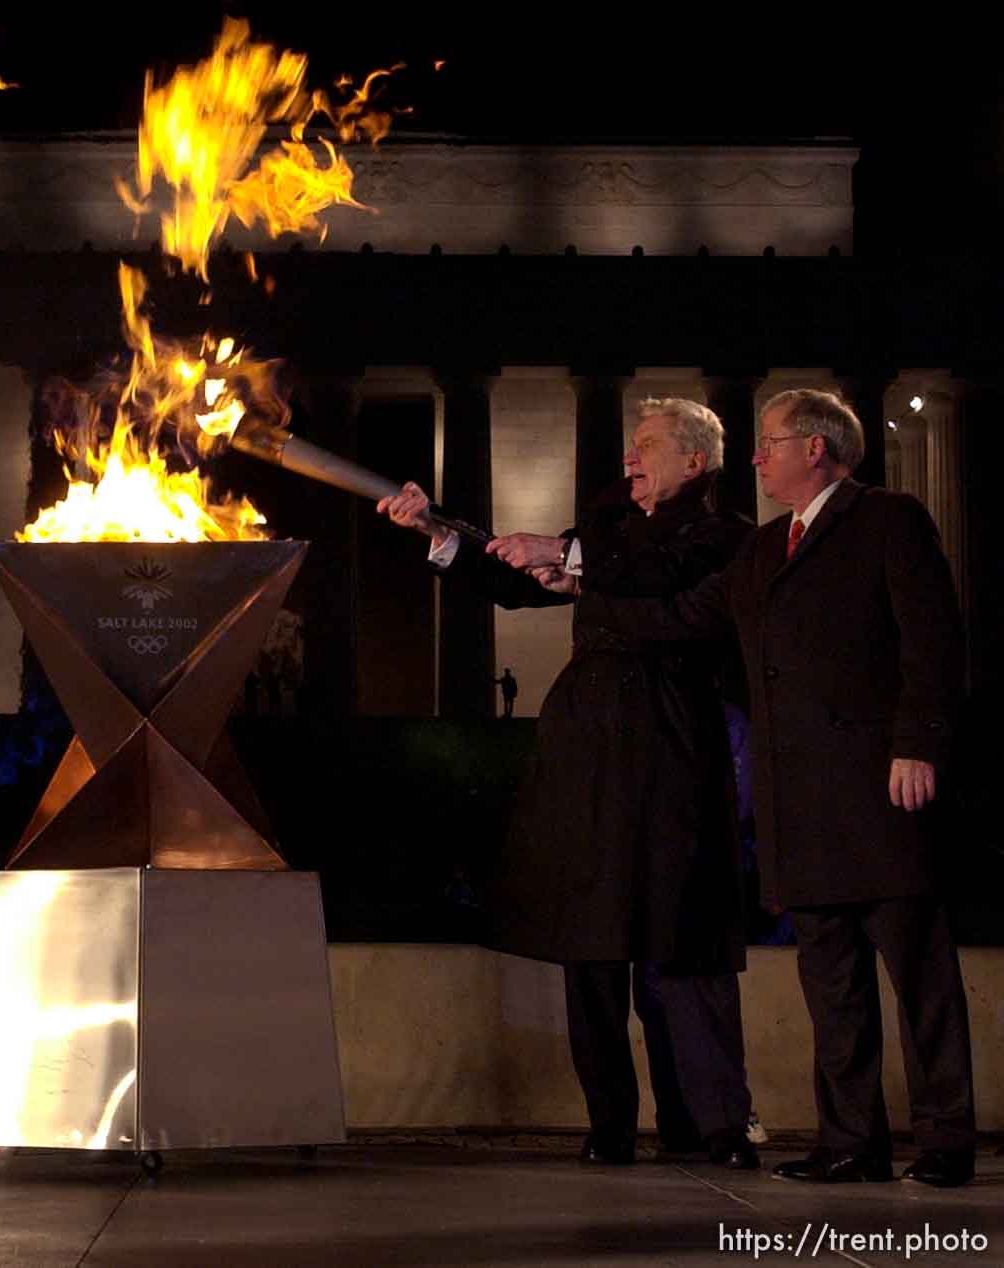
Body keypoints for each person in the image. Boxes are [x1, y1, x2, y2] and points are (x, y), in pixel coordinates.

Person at [554, 389, 974, 1187]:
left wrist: (916, 746)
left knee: (918, 976)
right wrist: (575, 578)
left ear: (814, 447)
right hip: (797, 800)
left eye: (770, 441)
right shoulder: (764, 547)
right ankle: (853, 1140)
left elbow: (932, 642)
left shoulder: (887, 518)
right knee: (832, 984)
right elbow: (681, 615)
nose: (756, 456)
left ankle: (943, 1137)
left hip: (880, 791)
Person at [379, 398, 759, 1170]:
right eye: (629, 446)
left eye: (646, 446)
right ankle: (609, 1125)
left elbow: (655, 572)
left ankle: (706, 1126)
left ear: (694, 461)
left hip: (670, 745)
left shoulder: (721, 534)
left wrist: (569, 555)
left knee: (675, 941)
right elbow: (518, 577)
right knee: (593, 945)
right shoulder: (607, 535)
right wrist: (439, 531)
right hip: (586, 751)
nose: (628, 458)